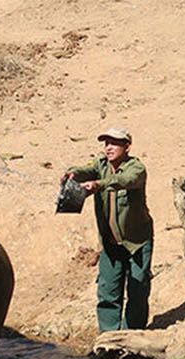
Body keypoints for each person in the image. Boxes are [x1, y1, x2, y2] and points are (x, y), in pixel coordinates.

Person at [62, 127, 153, 331]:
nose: (109, 147)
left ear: (127, 147)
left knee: (138, 291)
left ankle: (131, 337)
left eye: (114, 143)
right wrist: (72, 173)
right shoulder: (101, 164)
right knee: (107, 291)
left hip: (136, 242)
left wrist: (98, 185)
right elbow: (85, 170)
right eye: (106, 143)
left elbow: (125, 181)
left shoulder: (136, 168)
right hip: (110, 243)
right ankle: (108, 338)